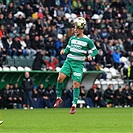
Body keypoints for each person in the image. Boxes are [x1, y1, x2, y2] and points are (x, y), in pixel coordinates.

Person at [53, 17, 98, 114]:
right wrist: (63, 51)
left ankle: (74, 105)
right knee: (60, 78)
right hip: (68, 62)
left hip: (78, 64)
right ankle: (58, 98)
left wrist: (91, 55)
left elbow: (95, 51)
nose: (75, 29)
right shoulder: (72, 39)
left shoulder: (87, 40)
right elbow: (67, 50)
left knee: (76, 84)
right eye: (74, 27)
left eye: (77, 28)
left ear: (82, 29)